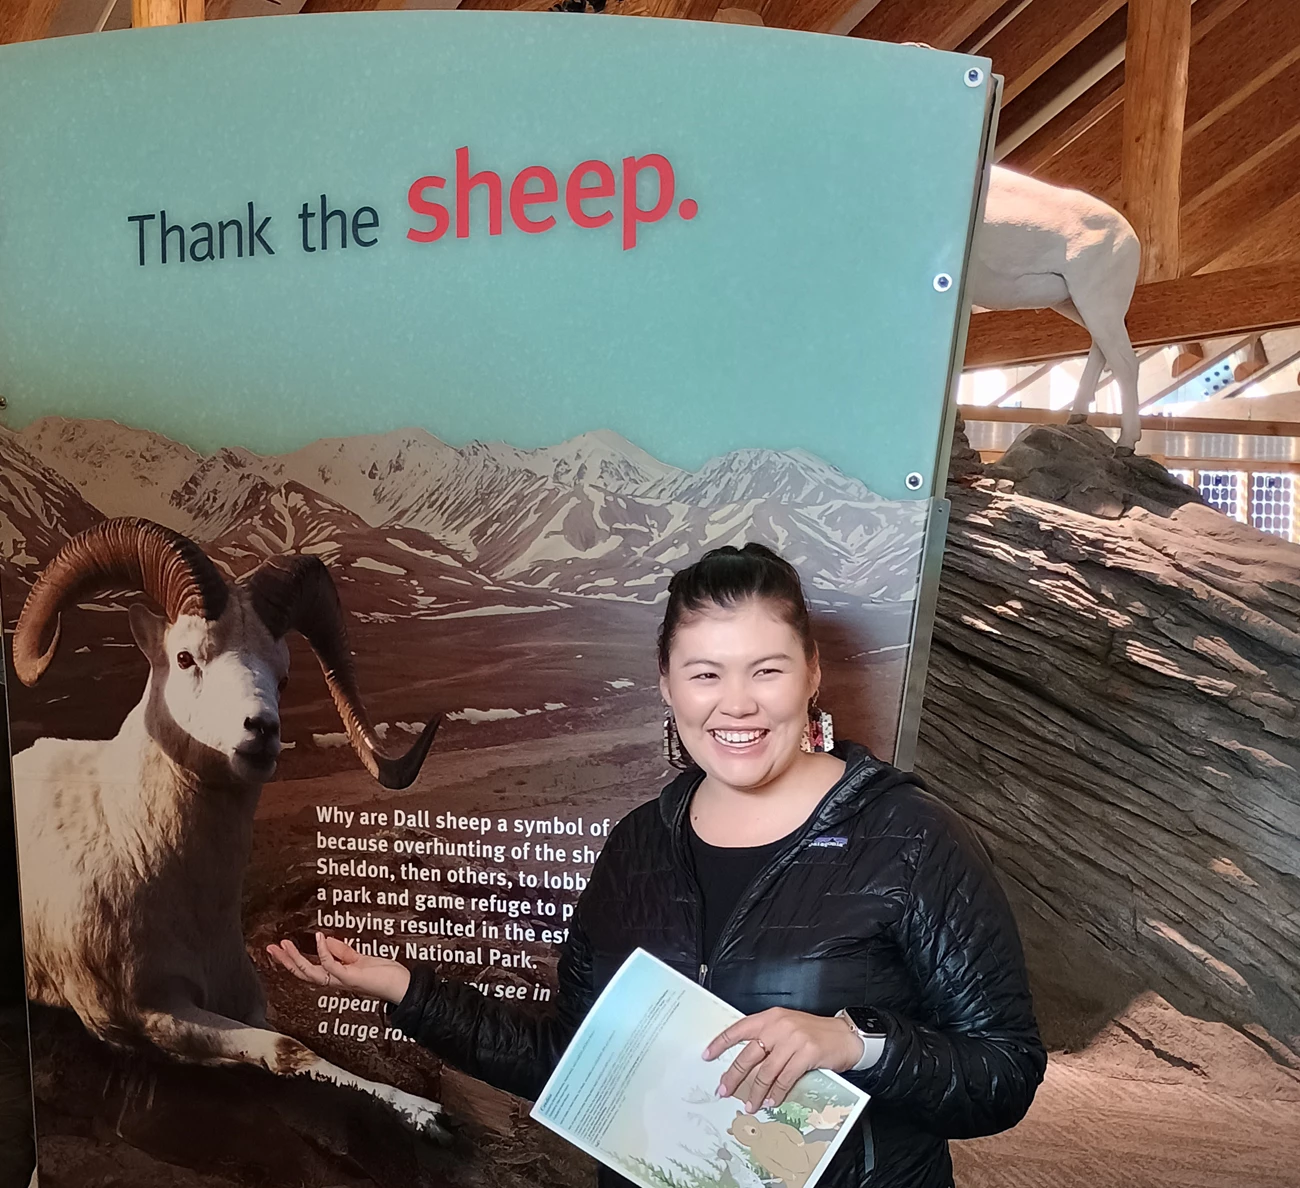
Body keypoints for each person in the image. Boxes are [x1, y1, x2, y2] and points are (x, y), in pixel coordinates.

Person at [269, 543, 1047, 1188]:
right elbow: (567, 1057)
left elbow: (1004, 1073)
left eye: (766, 670)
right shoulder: (639, 846)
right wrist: (403, 989)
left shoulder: (910, 839)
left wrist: (858, 1044)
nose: (735, 704)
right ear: (667, 686)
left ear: (812, 675)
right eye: (705, 673)